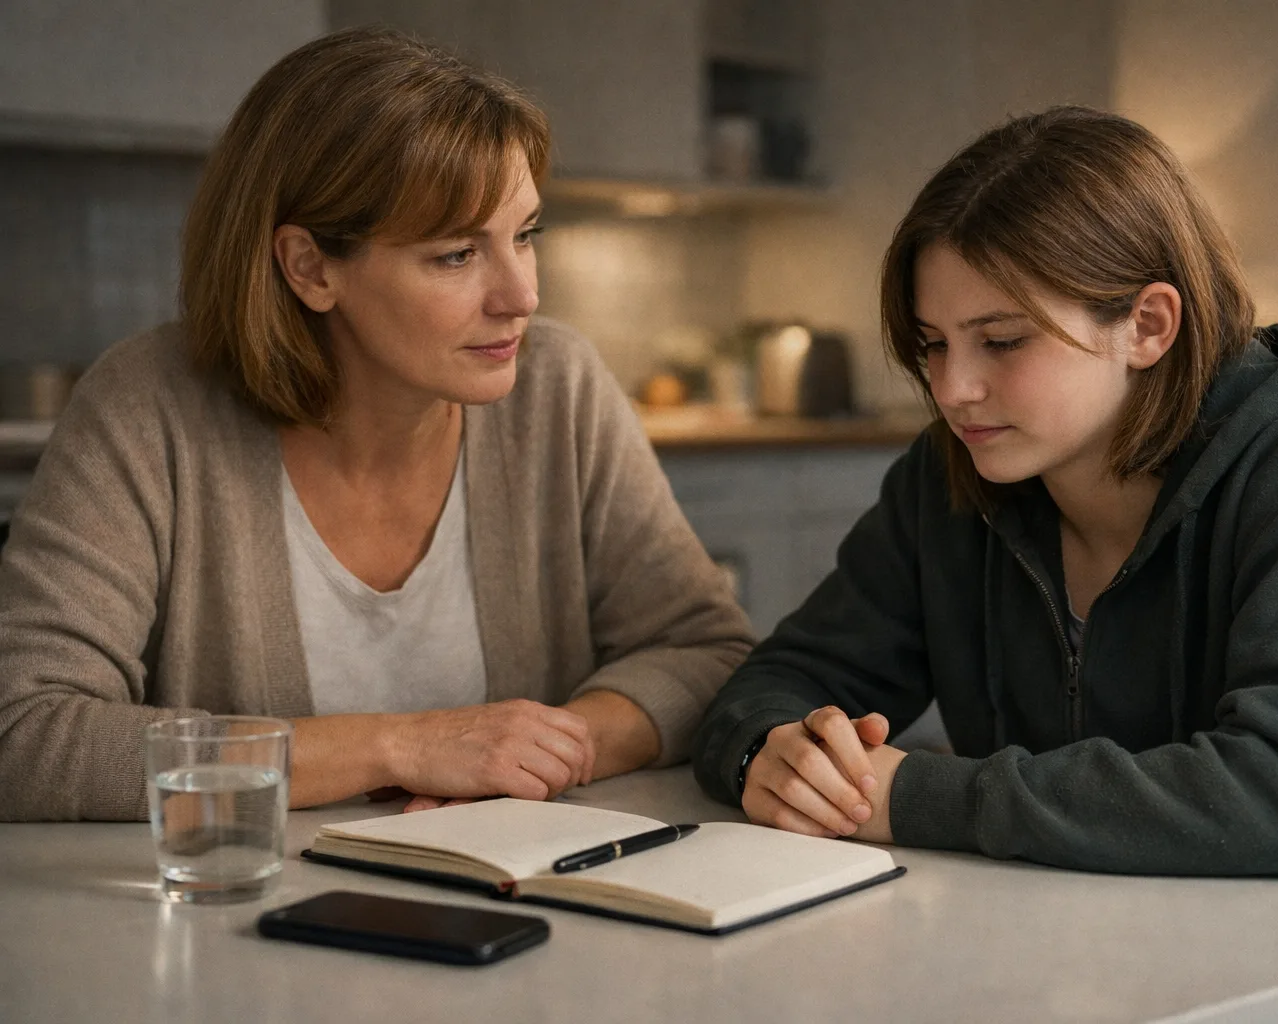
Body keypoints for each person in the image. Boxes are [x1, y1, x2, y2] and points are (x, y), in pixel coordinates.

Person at [693, 107, 1278, 1023]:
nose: (951, 387)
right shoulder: (948, 479)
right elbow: (778, 678)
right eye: (934, 343)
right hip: (1103, 953)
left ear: (1149, 324)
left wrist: (920, 795)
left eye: (1001, 341)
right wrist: (767, 755)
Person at [0, 27, 753, 822]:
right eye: (457, 256)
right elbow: (24, 732)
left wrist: (534, 754)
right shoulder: (148, 408)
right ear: (310, 268)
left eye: (525, 237)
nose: (521, 296)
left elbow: (708, 653)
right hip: (238, 925)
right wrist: (400, 746)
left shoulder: (559, 389)